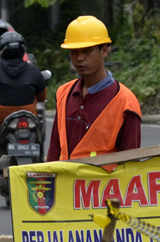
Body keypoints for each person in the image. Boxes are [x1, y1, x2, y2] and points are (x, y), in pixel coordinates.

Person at [46, 16, 142, 162]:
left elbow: (130, 166)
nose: (79, 58)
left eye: (87, 51)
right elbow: (54, 151)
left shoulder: (125, 102)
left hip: (104, 185)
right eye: (74, 52)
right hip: (65, 183)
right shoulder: (64, 94)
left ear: (104, 51)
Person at [0, 31, 47, 167]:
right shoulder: (34, 71)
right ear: (23, 50)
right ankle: (40, 162)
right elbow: (42, 97)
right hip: (29, 120)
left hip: (0, 121)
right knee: (39, 133)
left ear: (0, 50)